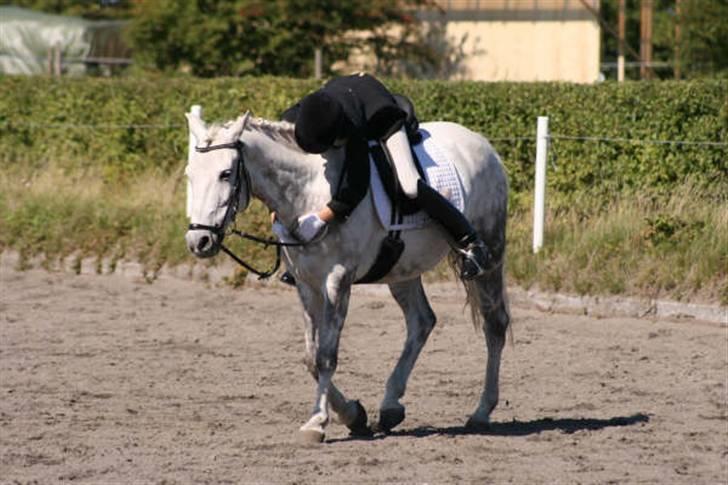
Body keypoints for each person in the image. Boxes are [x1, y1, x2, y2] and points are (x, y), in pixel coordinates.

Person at [284, 73, 491, 280]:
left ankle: (472, 244)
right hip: (345, 90)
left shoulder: (352, 129)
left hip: (381, 112)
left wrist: (321, 219)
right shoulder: (297, 115)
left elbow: (356, 187)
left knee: (409, 184)